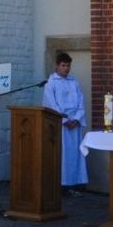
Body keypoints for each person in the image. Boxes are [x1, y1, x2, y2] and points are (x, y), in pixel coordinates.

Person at [43, 52, 88, 191]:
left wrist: (76, 119)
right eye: (63, 65)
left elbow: (81, 102)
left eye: (68, 65)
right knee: (63, 156)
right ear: (57, 66)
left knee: (75, 155)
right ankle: (62, 185)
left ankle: (75, 183)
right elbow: (51, 104)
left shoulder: (74, 82)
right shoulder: (51, 83)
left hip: (74, 124)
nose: (66, 68)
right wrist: (64, 120)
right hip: (61, 125)